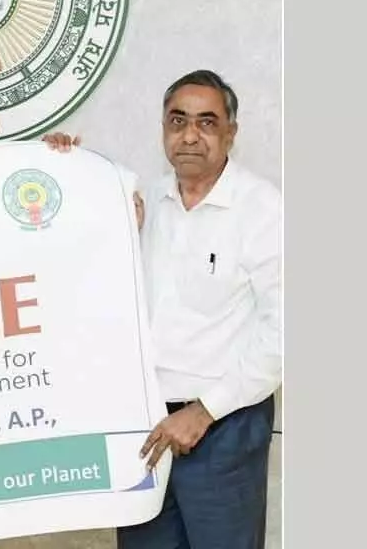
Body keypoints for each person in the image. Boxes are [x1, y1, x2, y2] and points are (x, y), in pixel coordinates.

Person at [121, 69, 282, 549]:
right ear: (164, 129)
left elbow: (285, 330)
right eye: (178, 120)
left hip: (223, 427)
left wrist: (205, 411)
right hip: (146, 426)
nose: (190, 134)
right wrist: (61, 161)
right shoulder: (142, 202)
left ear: (231, 133)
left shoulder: (263, 211)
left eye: (207, 123)